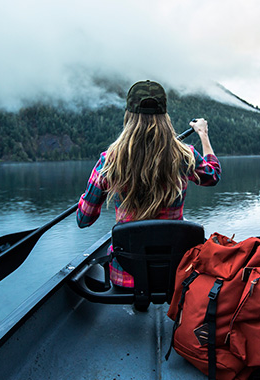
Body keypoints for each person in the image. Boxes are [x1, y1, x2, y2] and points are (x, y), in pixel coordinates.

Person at [76, 80, 221, 288]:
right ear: (165, 117)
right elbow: (213, 175)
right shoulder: (184, 155)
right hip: (177, 275)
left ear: (129, 115)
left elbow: (83, 219)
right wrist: (203, 135)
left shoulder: (109, 160)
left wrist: (93, 192)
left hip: (126, 276)